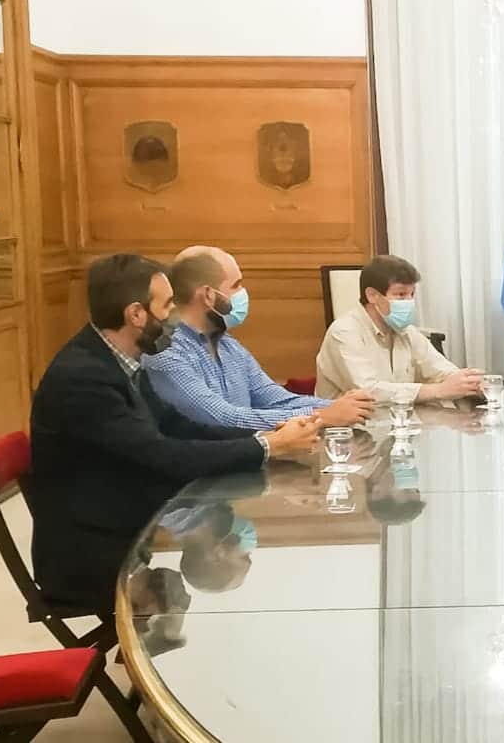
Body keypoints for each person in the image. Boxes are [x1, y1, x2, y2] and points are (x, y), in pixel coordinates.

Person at [23, 254, 320, 612]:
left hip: (130, 524)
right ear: (136, 314)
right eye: (166, 306)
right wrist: (268, 446)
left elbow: (179, 426)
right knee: (226, 602)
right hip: (93, 554)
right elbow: (163, 457)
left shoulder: (119, 360)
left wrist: (269, 438)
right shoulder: (84, 378)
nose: (173, 317)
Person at [143, 246, 374, 430]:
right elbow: (223, 418)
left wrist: (344, 406)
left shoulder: (228, 345)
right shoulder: (166, 352)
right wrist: (322, 415)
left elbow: (276, 399)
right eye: (236, 285)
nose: (243, 293)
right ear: (208, 295)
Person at [315, 255, 484, 404]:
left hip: (398, 422)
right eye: (401, 295)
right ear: (372, 295)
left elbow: (440, 370)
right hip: (347, 427)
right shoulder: (344, 332)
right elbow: (369, 391)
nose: (409, 302)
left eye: (412, 294)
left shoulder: (406, 331)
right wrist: (439, 390)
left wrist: (468, 382)